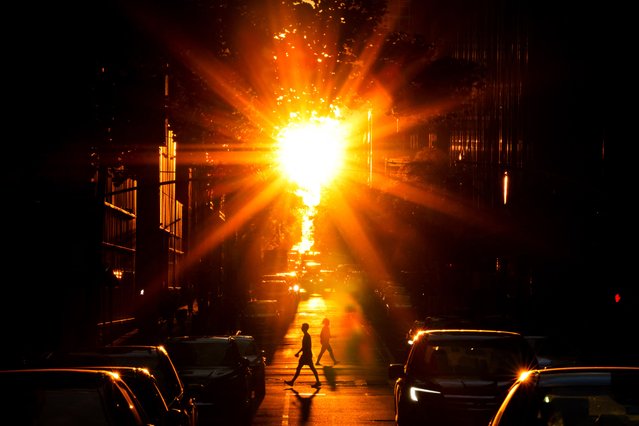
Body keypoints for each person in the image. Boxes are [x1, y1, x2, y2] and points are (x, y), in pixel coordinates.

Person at [285, 323, 321, 388]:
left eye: (302, 327)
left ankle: (292, 382)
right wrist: (298, 352)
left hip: (306, 355)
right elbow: (304, 347)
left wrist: (298, 353)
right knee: (307, 368)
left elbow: (305, 347)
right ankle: (292, 382)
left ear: (304, 328)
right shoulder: (306, 336)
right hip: (306, 355)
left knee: (306, 368)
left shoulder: (306, 336)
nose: (301, 328)